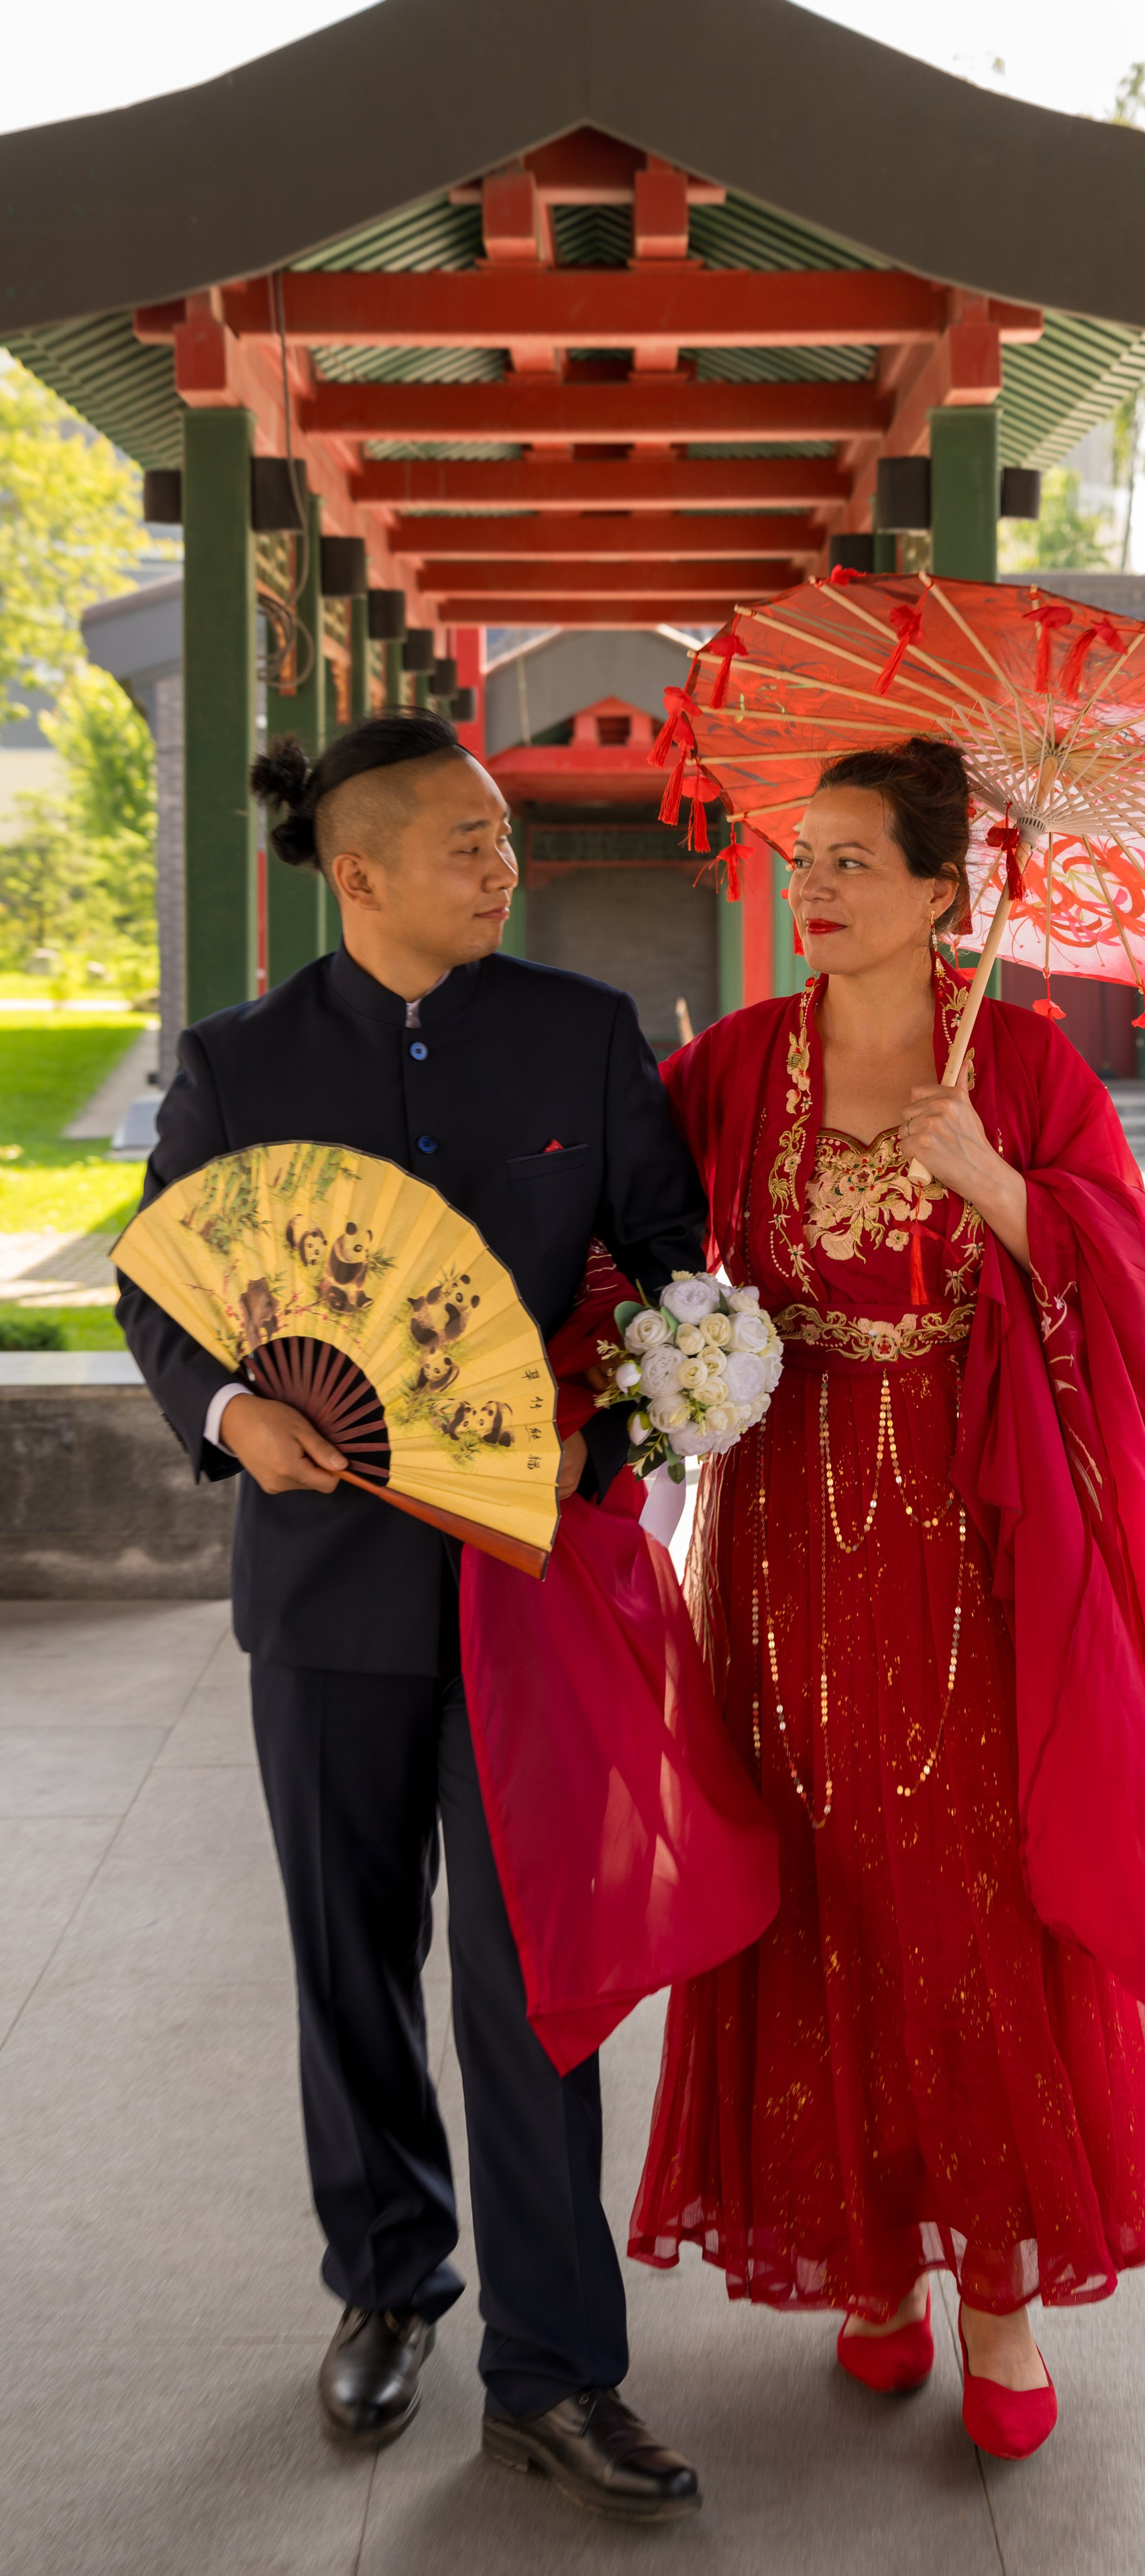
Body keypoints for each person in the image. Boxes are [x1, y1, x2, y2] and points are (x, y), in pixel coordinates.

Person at [626, 737, 1145, 2460]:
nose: (814, 888)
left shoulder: (1034, 1072)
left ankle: (992, 2285)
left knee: (965, 1892)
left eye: (853, 862)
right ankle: (867, 2268)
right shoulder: (729, 1064)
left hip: (970, 1548)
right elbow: (621, 1240)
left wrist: (996, 1184)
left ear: (942, 894)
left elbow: (1135, 1301)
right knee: (811, 1876)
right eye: (805, 857)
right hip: (774, 1541)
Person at [117, 709, 710, 2522]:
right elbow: (165, 1295)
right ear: (356, 872)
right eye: (466, 838)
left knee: (540, 1985)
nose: (501, 860)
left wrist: (601, 1439)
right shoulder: (237, 1067)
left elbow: (679, 1279)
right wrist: (235, 1412)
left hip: (529, 1592)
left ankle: (557, 2367)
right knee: (348, 1963)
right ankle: (388, 2282)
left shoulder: (584, 1036)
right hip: (324, 1597)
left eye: (505, 834)